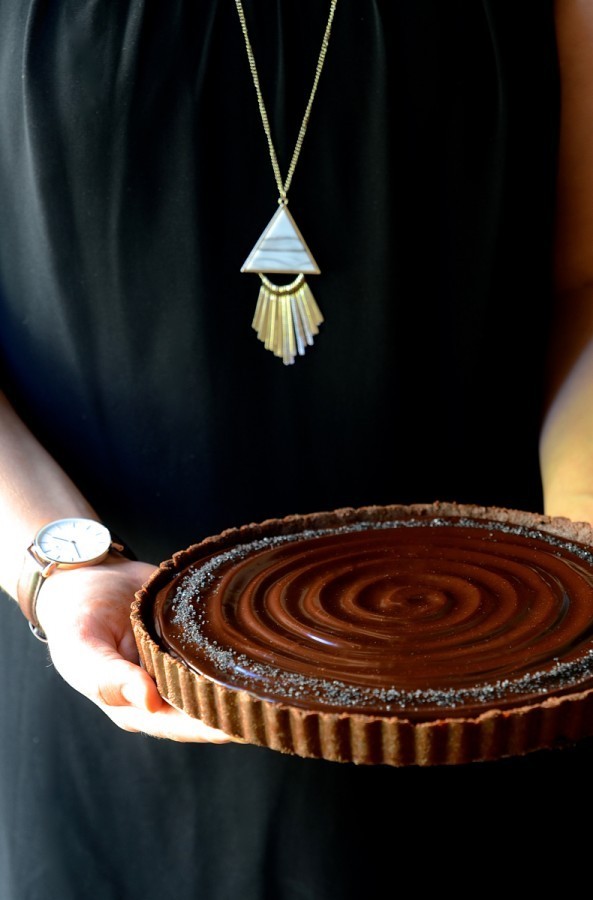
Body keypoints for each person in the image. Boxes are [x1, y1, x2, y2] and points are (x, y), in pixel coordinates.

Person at [0, 1, 591, 897]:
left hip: (497, 699)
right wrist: (56, 563)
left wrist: (582, 540)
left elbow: (581, 287)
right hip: (103, 685)